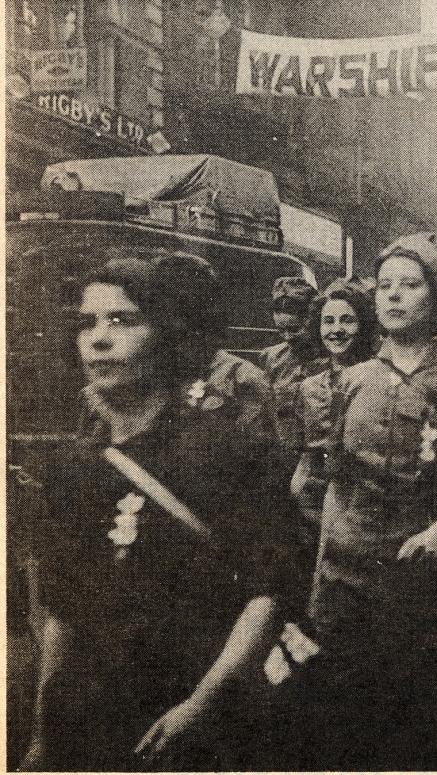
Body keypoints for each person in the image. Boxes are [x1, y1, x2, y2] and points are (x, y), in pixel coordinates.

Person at [24, 252, 301, 771]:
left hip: (199, 715)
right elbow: (61, 609)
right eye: (87, 322)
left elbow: (268, 591)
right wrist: (43, 731)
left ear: (168, 334)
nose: (98, 338)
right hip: (96, 717)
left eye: (123, 320)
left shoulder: (224, 451)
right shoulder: (72, 467)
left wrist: (199, 708)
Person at [303, 232, 437, 769]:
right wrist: (324, 570)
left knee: (416, 714)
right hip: (347, 573)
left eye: (409, 285)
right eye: (385, 285)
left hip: (422, 569)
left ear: (435, 297)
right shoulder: (352, 380)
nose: (393, 296)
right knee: (346, 710)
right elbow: (328, 482)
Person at [288, 277, 378, 546]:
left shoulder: (379, 381)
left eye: (347, 320)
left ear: (362, 325)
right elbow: (305, 462)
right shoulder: (308, 388)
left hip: (361, 511)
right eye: (328, 321)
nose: (336, 330)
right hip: (312, 510)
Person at [260, 277, 329, 452]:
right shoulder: (272, 357)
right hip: (284, 450)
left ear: (312, 321)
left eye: (294, 329)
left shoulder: (332, 358)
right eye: (281, 330)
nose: (287, 337)